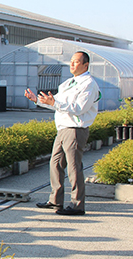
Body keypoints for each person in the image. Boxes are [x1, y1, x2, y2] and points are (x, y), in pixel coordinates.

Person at [26, 51, 99, 216]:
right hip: (63, 128)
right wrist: (38, 100)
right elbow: (56, 103)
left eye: (76, 62)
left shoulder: (88, 84)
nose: (72, 64)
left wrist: (55, 103)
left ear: (85, 65)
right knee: (55, 163)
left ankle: (77, 204)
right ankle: (55, 200)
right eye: (71, 61)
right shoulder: (69, 83)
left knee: (74, 167)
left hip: (75, 129)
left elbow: (79, 108)